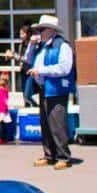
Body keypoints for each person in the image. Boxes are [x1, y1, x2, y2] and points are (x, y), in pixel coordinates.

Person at [29, 15, 75, 170]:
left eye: (41, 29)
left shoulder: (62, 46)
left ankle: (63, 156)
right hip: (44, 88)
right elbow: (29, 61)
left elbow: (64, 68)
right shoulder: (41, 47)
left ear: (50, 30)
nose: (39, 33)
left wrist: (41, 71)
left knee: (57, 124)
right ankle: (49, 155)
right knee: (46, 124)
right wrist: (30, 46)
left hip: (56, 89)